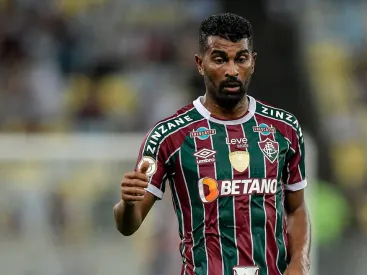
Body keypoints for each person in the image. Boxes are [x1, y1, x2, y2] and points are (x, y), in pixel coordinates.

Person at [113, 13, 311, 275]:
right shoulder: (168, 136)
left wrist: (299, 261)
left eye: (240, 59)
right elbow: (129, 224)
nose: (231, 70)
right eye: (219, 59)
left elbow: (296, 208)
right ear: (200, 63)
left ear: (252, 62)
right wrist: (127, 204)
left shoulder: (283, 128)